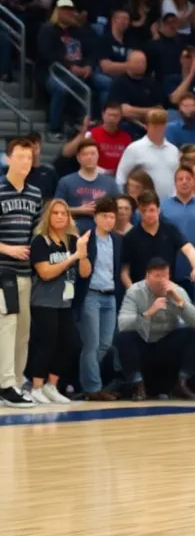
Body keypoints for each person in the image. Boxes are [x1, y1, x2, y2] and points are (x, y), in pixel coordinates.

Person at [27, 200, 91, 404]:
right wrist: (72, 258)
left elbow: (85, 272)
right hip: (43, 301)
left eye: (64, 213)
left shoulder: (72, 240)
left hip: (64, 301)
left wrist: (82, 254)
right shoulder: (40, 241)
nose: (60, 216)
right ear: (48, 216)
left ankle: (51, 385)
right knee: (47, 342)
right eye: (55, 213)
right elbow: (45, 273)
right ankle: (36, 386)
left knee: (72, 343)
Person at [115, 257, 195, 400]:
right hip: (143, 345)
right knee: (124, 337)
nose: (162, 280)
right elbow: (123, 324)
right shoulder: (134, 291)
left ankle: (181, 384)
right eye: (157, 276)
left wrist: (179, 301)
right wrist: (148, 313)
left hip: (165, 345)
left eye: (165, 276)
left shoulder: (177, 291)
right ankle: (138, 386)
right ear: (147, 276)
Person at [0, 138, 41, 407]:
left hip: (25, 273)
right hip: (3, 272)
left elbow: (37, 233)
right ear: (8, 158)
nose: (26, 162)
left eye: (29, 157)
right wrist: (8, 249)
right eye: (20, 157)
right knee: (8, 326)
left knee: (23, 331)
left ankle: (15, 379)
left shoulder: (35, 194)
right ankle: (5, 385)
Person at [80, 197, 122, 401]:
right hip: (92, 295)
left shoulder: (117, 240)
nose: (108, 220)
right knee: (92, 343)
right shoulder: (86, 238)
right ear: (96, 217)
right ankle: (93, 387)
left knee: (106, 343)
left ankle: (84, 380)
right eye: (104, 216)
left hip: (110, 295)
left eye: (112, 217)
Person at [121, 192, 195, 289]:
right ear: (139, 211)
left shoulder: (170, 230)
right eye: (144, 211)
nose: (148, 214)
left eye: (152, 210)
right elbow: (124, 271)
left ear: (158, 210)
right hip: (142, 290)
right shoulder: (130, 237)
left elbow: (189, 249)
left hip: (167, 287)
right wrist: (132, 290)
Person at [54, 137, 120, 235]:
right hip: (73, 234)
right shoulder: (66, 181)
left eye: (93, 154)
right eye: (85, 154)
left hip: (102, 234)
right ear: (78, 158)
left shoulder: (110, 183)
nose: (89, 157)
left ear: (98, 156)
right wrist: (80, 210)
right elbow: (55, 209)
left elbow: (117, 209)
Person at [114, 108, 181, 199]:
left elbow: (177, 177)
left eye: (161, 125)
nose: (158, 128)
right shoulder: (134, 148)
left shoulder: (173, 150)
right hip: (145, 204)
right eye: (154, 125)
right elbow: (121, 178)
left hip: (170, 203)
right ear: (146, 126)